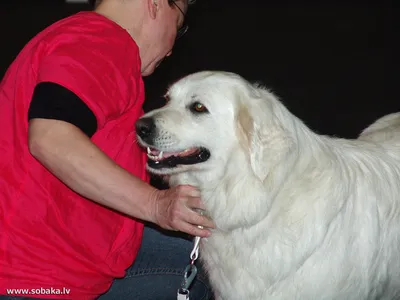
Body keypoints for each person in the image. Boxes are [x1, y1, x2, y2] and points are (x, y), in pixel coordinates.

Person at [0, 0, 215, 299]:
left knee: (201, 258)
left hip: (43, 258)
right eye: (177, 28)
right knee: (207, 273)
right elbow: (50, 137)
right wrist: (156, 204)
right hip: (32, 277)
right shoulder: (102, 41)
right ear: (155, 4)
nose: (170, 49)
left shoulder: (74, 38)